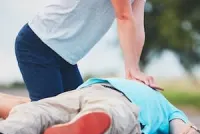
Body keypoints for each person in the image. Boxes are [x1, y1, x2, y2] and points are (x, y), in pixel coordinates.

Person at [13, 0, 162, 102]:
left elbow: (137, 23)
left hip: (67, 58)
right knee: (50, 120)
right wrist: (132, 69)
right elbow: (124, 16)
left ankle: (34, 106)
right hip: (38, 44)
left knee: (76, 117)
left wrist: (134, 71)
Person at [0, 78, 199, 134]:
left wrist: (191, 130)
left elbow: (181, 128)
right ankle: (7, 131)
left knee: (105, 113)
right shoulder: (124, 80)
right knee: (37, 110)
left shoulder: (168, 108)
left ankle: (79, 130)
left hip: (127, 107)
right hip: (87, 91)